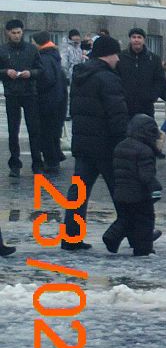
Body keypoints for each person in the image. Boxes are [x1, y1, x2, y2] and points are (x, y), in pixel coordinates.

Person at [61, 35, 129, 251]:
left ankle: (71, 238)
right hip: (106, 145)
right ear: (108, 55)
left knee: (78, 194)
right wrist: (124, 141)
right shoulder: (108, 78)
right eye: (116, 54)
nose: (118, 59)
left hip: (83, 144)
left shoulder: (81, 74)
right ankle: (137, 234)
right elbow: (117, 115)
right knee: (123, 192)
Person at [102, 114, 162, 256]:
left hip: (121, 191)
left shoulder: (120, 145)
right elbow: (146, 175)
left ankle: (112, 236)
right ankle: (143, 249)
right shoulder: (145, 150)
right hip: (139, 194)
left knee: (126, 218)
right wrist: (155, 187)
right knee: (145, 221)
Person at [1, 18, 43, 176]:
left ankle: (37, 163)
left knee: (34, 130)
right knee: (13, 131)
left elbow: (40, 69)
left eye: (19, 32)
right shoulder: (2, 50)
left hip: (29, 93)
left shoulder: (31, 49)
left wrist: (30, 73)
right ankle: (14, 164)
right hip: (11, 94)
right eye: (13, 33)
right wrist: (6, 72)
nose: (17, 35)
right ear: (8, 33)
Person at [33, 31, 68, 173]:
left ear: (38, 43)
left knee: (47, 132)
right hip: (58, 99)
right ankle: (55, 157)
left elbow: (46, 79)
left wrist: (34, 85)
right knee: (54, 131)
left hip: (48, 101)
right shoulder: (54, 55)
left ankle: (52, 161)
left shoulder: (44, 58)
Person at [117, 27, 164, 120]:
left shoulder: (154, 59)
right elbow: (115, 78)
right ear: (130, 39)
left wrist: (152, 96)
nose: (136, 40)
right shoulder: (121, 57)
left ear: (144, 40)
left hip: (146, 106)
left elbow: (160, 80)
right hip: (125, 105)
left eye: (139, 37)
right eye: (134, 37)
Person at [60, 29, 85, 96]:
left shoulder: (79, 48)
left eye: (78, 36)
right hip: (70, 75)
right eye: (75, 36)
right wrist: (67, 75)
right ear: (71, 37)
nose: (77, 38)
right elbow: (63, 63)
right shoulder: (66, 47)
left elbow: (80, 61)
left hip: (78, 74)